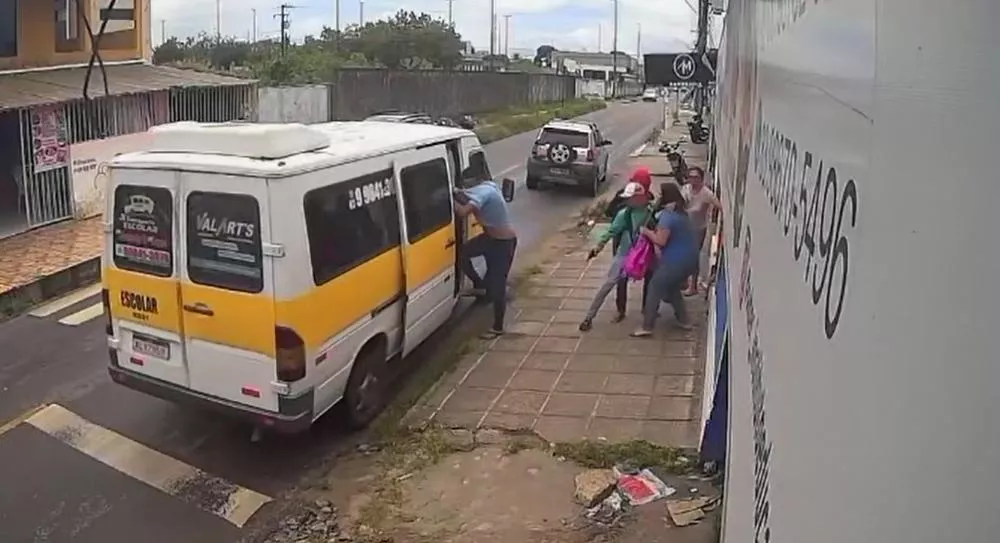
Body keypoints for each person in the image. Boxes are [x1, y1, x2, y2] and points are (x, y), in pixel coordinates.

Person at [579, 182, 652, 331]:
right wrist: (597, 247)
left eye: (630, 198)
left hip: (645, 256)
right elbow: (610, 232)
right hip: (625, 256)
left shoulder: (652, 212)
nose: (627, 201)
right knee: (608, 284)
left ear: (640, 197)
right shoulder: (624, 214)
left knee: (654, 283)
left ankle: (650, 315)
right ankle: (589, 317)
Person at [631, 183, 699, 337]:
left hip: (676, 261)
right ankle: (684, 320)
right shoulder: (680, 212)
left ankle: (647, 326)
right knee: (672, 287)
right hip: (690, 259)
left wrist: (646, 231)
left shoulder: (668, 216)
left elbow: (661, 240)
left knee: (655, 287)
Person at [453, 177, 518, 339]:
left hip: (503, 244)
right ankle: (480, 284)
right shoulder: (485, 187)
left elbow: (462, 213)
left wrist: (446, 198)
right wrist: (453, 191)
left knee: (498, 287)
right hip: (489, 239)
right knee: (463, 253)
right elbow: (462, 194)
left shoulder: (484, 193)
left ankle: (497, 327)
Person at [604, 166, 654, 315]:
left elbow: (608, 212)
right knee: (644, 273)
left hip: (630, 241)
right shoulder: (644, 197)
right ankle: (642, 308)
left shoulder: (627, 195)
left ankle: (624, 310)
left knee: (623, 276)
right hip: (636, 242)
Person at [679, 166, 721, 296]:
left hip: (697, 229)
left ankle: (693, 286)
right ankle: (684, 280)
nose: (693, 180)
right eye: (690, 177)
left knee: (693, 257)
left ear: (701, 179)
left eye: (696, 177)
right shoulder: (686, 189)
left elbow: (719, 206)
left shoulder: (706, 193)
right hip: (684, 227)